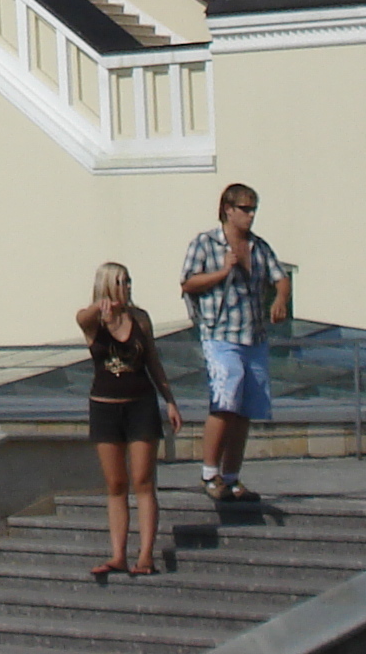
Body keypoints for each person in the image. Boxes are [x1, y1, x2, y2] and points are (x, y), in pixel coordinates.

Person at [180, 181, 287, 502]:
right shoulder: (206, 243)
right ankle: (209, 472)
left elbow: (279, 276)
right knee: (225, 397)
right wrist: (220, 273)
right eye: (245, 209)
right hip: (219, 333)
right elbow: (188, 282)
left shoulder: (258, 247)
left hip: (252, 334)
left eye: (254, 209)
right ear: (228, 209)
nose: (251, 215)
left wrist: (280, 297)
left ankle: (232, 475)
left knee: (245, 408)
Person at [76, 261, 181, 577]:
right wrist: (101, 308)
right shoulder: (94, 321)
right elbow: (81, 318)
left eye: (129, 281)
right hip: (105, 407)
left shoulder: (140, 319)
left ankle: (145, 555)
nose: (127, 287)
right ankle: (118, 554)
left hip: (140, 404)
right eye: (121, 281)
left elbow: (153, 361)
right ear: (108, 285)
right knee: (116, 483)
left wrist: (170, 401)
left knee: (143, 481)